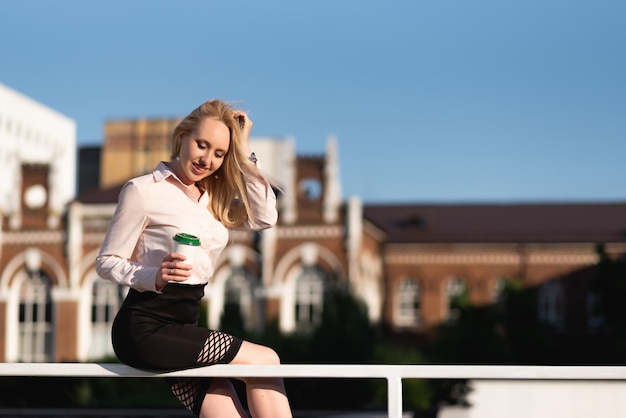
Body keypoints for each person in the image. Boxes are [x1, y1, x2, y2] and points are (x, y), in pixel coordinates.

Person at [96, 99, 292, 418]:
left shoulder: (215, 197)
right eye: (202, 145)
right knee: (265, 360)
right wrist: (152, 275)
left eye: (219, 153)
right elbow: (106, 261)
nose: (207, 160)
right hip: (145, 328)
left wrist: (243, 153)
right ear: (183, 137)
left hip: (186, 327)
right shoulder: (143, 191)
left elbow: (266, 216)